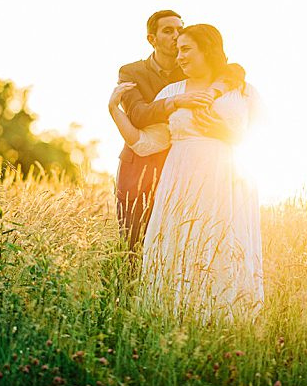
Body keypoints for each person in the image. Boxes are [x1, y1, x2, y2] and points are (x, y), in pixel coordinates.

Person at [110, 24, 264, 320]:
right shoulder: (172, 91)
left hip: (228, 182)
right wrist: (114, 111)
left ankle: (226, 318)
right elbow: (145, 143)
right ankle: (176, 318)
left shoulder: (241, 90)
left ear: (207, 50)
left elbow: (268, 133)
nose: (178, 56)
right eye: (177, 49)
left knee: (224, 244)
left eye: (185, 49)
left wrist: (228, 133)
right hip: (181, 179)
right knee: (181, 244)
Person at [113, 10, 216, 253]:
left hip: (181, 166)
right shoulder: (131, 72)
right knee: (134, 243)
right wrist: (177, 101)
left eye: (179, 30)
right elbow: (137, 115)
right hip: (139, 165)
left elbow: (231, 72)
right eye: (168, 31)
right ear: (152, 39)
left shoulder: (192, 69)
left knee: (178, 243)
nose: (176, 36)